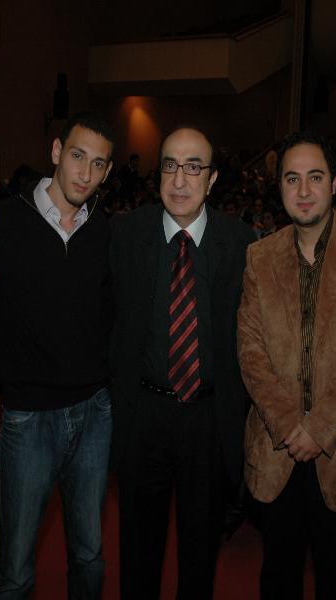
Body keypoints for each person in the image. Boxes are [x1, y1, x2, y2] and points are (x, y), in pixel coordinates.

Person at [237, 130, 336, 599]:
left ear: (335, 183)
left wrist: (319, 428)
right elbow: (250, 351)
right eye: (292, 178)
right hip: (276, 448)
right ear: (279, 186)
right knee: (277, 578)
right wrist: (288, 424)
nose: (303, 190)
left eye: (315, 177)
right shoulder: (259, 256)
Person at [110, 126, 255, 599]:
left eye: (193, 168)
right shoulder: (126, 234)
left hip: (208, 418)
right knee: (138, 549)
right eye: (170, 165)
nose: (179, 180)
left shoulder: (241, 242)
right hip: (143, 414)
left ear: (211, 180)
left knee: (200, 553)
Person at [0, 112, 114, 599]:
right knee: (16, 565)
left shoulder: (105, 232)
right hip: (28, 415)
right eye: (78, 156)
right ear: (57, 151)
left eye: (98, 164)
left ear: (107, 171)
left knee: (89, 555)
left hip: (94, 412)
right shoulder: (4, 219)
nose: (85, 173)